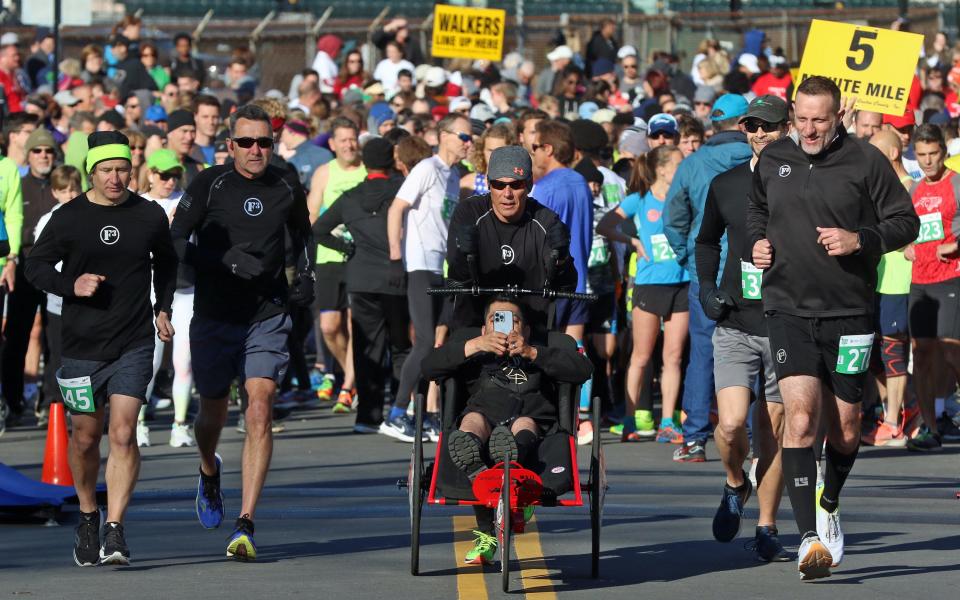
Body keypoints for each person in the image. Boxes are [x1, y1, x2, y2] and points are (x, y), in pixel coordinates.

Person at [748, 76, 919, 580]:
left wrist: (859, 239)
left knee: (845, 430)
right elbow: (756, 210)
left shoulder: (866, 161)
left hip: (849, 312)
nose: (809, 129)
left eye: (819, 120)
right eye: (801, 119)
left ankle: (830, 499)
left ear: (839, 114)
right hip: (787, 309)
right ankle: (806, 541)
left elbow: (905, 222)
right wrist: (755, 243)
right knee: (800, 419)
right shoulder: (775, 157)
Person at [25, 130, 177, 566]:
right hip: (80, 346)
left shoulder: (147, 215)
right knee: (86, 437)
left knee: (124, 433)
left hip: (133, 340)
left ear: (132, 169)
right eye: (106, 170)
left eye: (122, 169)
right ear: (92, 171)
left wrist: (162, 308)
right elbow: (35, 264)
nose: (115, 178)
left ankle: (115, 528)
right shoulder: (68, 217)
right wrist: (69, 284)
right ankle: (89, 514)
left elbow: (168, 262)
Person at [170, 104, 314, 561]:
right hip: (215, 314)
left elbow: (304, 236)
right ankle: (209, 469)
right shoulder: (209, 183)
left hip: (267, 313)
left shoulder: (286, 183)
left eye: (265, 142)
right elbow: (175, 241)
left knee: (259, 406)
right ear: (230, 145)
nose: (256, 151)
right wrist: (224, 260)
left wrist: (305, 277)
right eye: (247, 142)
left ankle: (246, 521)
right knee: (211, 412)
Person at [421, 296, 592, 564]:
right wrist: (474, 346)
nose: (503, 326)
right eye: (495, 320)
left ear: (525, 330)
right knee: (472, 421)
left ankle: (511, 467)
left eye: (513, 321)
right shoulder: (473, 350)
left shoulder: (538, 350)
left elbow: (583, 369)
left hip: (530, 420)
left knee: (523, 424)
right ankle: (476, 468)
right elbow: (428, 366)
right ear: (484, 329)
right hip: (484, 415)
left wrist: (532, 352)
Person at [695, 95, 791, 562]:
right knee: (731, 425)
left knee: (772, 430)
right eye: (752, 125)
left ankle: (767, 525)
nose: (758, 133)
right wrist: (706, 290)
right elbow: (706, 241)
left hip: (784, 324)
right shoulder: (727, 183)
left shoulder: (804, 182)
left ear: (785, 129)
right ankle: (736, 482)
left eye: (768, 126)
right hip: (734, 320)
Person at [663, 93, 752, 463]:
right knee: (755, 350)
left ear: (714, 126)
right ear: (745, 124)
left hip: (708, 270)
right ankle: (755, 436)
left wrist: (689, 258)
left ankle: (696, 437)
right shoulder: (760, 159)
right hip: (753, 269)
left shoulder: (693, 163)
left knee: (703, 352)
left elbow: (673, 218)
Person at [314, 137, 413, 439]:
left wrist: (346, 247)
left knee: (367, 347)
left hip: (359, 277)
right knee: (400, 345)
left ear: (366, 163)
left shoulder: (350, 196)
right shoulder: (402, 191)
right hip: (396, 276)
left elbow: (317, 228)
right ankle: (399, 410)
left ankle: (368, 415)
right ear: (390, 161)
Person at [387, 113, 471, 436]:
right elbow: (397, 208)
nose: (469, 144)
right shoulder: (426, 168)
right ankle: (395, 413)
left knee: (438, 344)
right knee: (423, 342)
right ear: (444, 135)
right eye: (464, 137)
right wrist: (396, 256)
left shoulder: (452, 176)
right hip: (420, 263)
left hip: (441, 266)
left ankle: (422, 414)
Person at [598, 146, 688, 443]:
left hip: (681, 281)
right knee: (641, 355)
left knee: (673, 357)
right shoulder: (639, 199)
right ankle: (630, 419)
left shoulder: (683, 197)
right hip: (649, 285)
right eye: (678, 162)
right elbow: (606, 224)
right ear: (662, 169)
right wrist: (633, 240)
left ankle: (667, 422)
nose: (682, 166)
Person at [902, 124, 960, 452]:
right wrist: (905, 246)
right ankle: (930, 427)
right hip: (919, 281)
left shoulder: (957, 183)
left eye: (933, 154)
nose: (927, 161)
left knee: (952, 352)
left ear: (943, 151)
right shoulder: (914, 190)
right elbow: (909, 229)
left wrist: (956, 246)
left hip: (950, 278)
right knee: (922, 354)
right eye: (921, 155)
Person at [136, 149, 195, 449]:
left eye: (175, 175)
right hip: (149, 292)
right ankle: (139, 423)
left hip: (185, 289)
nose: (170, 181)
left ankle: (180, 424)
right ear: (150, 174)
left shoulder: (189, 201)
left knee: (183, 361)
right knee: (151, 360)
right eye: (163, 175)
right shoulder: (139, 204)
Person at [306, 117, 366, 409]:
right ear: (332, 144)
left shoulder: (367, 172)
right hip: (329, 256)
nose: (349, 144)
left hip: (361, 257)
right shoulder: (324, 173)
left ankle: (348, 386)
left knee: (356, 324)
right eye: (342, 139)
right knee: (330, 326)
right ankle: (351, 374)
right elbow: (312, 215)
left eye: (352, 138)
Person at [4, 128, 57, 425]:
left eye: (48, 151)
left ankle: (49, 402)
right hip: (24, 269)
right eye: (37, 151)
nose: (43, 156)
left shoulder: (62, 184)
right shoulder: (18, 184)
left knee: (54, 338)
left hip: (54, 271)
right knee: (17, 336)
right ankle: (12, 401)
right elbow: (13, 223)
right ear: (28, 155)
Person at [530, 119, 593, 343]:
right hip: (580, 280)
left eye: (535, 147)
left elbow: (534, 238)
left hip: (553, 284)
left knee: (548, 350)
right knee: (576, 352)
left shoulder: (544, 188)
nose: (533, 153)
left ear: (548, 149)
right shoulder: (582, 182)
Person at [33, 165, 83, 428]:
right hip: (57, 302)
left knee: (83, 355)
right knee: (57, 354)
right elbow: (40, 263)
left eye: (74, 189)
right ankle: (53, 405)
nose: (70, 195)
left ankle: (83, 406)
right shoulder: (48, 221)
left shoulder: (89, 217)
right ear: (55, 193)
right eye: (64, 191)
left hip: (86, 301)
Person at [166, 110, 205, 185]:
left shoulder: (199, 168)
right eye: (184, 131)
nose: (189, 137)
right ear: (169, 133)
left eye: (193, 131)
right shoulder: (155, 164)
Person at [193, 95, 221, 166]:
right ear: (195, 117)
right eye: (205, 117)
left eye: (215, 117)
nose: (211, 122)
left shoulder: (225, 148)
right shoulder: (187, 150)